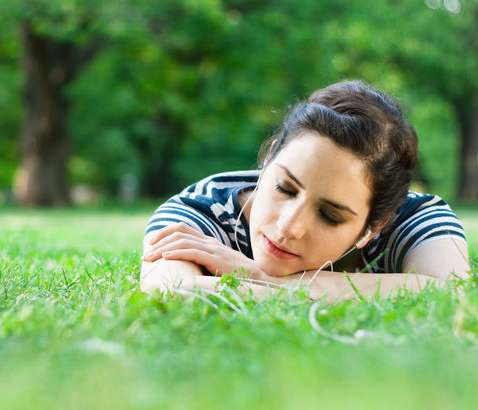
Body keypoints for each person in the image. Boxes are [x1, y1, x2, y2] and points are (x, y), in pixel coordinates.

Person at [140, 80, 470, 302]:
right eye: (285, 188)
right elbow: (170, 291)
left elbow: (449, 291)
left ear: (374, 227)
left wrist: (260, 277)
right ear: (269, 159)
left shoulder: (416, 217)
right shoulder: (200, 209)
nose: (288, 227)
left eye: (329, 215)